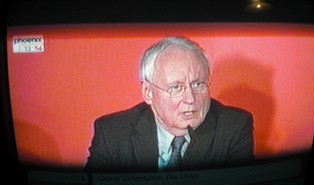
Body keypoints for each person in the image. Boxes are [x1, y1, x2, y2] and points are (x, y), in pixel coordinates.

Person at [84, 36, 254, 172]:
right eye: (176, 87)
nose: (190, 99)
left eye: (198, 84)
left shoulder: (233, 127)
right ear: (148, 92)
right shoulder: (112, 134)